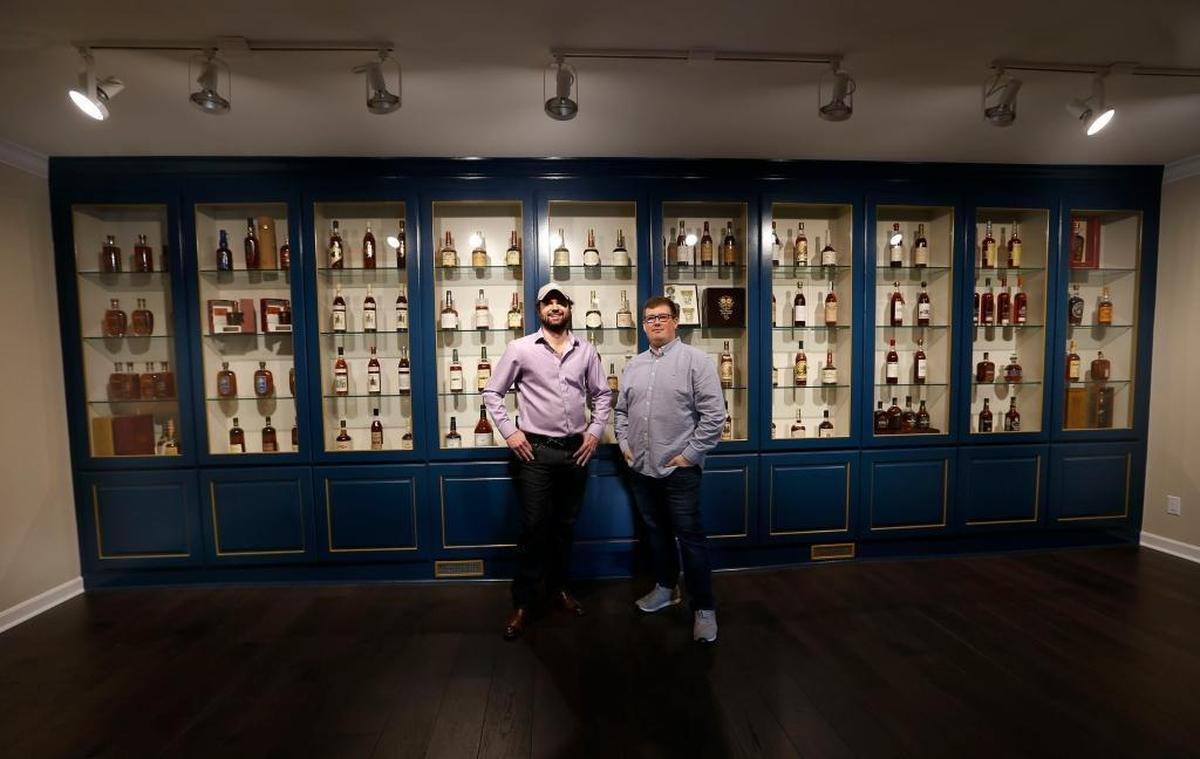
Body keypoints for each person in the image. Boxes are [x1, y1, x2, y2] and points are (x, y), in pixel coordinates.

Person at [482, 283, 612, 641]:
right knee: (534, 528)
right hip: (534, 452)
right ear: (539, 310)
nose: (555, 307)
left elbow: (602, 395)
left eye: (561, 302)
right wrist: (510, 432)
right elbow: (492, 392)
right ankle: (523, 603)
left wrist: (594, 432)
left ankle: (559, 590)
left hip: (576, 452)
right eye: (548, 303)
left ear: (569, 308)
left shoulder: (586, 350)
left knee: (565, 527)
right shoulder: (520, 349)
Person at [614, 295, 725, 643]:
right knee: (656, 534)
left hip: (679, 471)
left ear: (676, 321)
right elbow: (620, 412)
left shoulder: (697, 361)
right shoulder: (634, 365)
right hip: (641, 468)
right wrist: (625, 445)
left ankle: (704, 609)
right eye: (649, 319)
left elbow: (715, 417)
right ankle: (665, 587)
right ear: (644, 325)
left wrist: (689, 455)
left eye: (662, 317)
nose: (656, 323)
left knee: (691, 541)